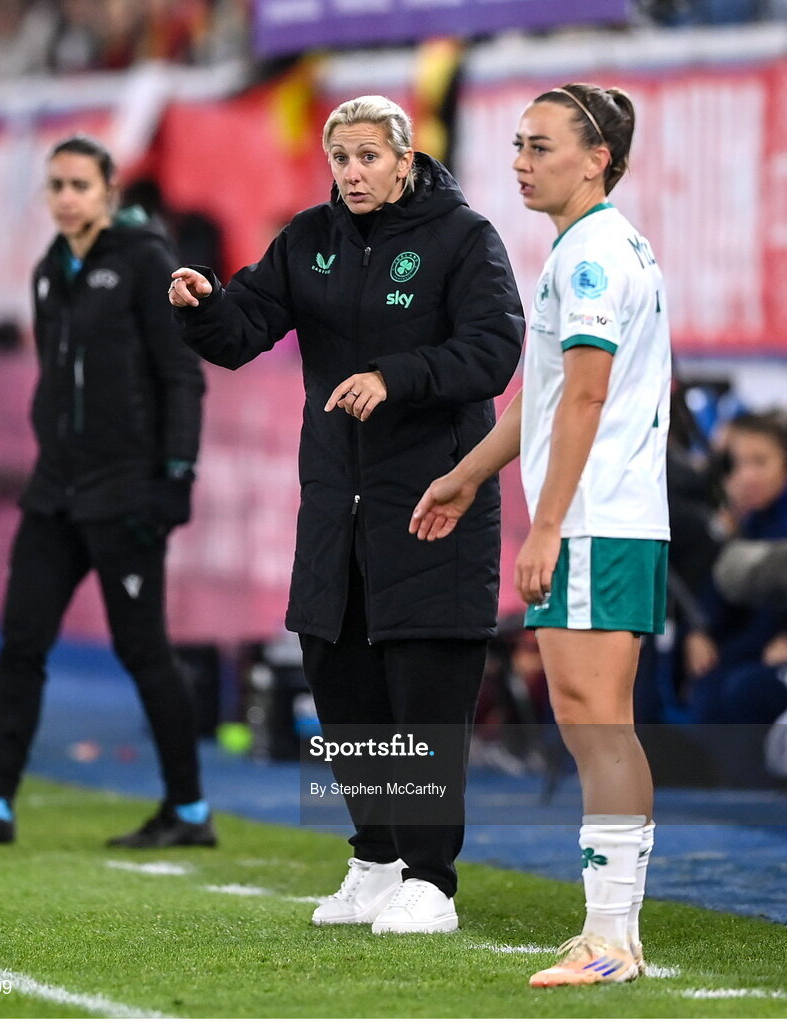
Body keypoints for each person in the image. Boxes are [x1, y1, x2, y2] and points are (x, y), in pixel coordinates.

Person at [169, 95, 524, 933]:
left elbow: (494, 349)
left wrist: (395, 376)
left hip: (430, 505)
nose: (352, 173)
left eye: (368, 157)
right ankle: (375, 859)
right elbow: (245, 327)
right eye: (340, 159)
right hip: (336, 505)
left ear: (406, 159)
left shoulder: (463, 239)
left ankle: (431, 881)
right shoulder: (308, 241)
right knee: (341, 680)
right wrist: (203, 305)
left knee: (424, 693)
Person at [410, 83, 670, 984]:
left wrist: (546, 526)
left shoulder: (591, 256)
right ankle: (611, 934)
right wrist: (469, 473)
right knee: (595, 725)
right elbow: (550, 394)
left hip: (596, 522)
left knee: (596, 727)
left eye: (541, 146)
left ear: (596, 158)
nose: (520, 162)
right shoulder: (592, 246)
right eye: (517, 145)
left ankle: (609, 941)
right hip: (609, 519)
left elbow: (587, 397)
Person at [0, 134, 215, 849]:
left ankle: (188, 812)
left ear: (109, 191)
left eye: (79, 185)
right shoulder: (48, 273)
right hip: (53, 492)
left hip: (124, 493)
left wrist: (175, 477)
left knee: (142, 650)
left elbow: (182, 376)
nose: (65, 197)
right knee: (20, 644)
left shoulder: (147, 264)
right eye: (55, 185)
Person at [683, 413, 787, 725]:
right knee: (707, 690)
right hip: (758, 645)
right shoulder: (747, 521)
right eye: (739, 465)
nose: (748, 475)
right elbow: (719, 590)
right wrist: (699, 630)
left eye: (760, 462)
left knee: (743, 691)